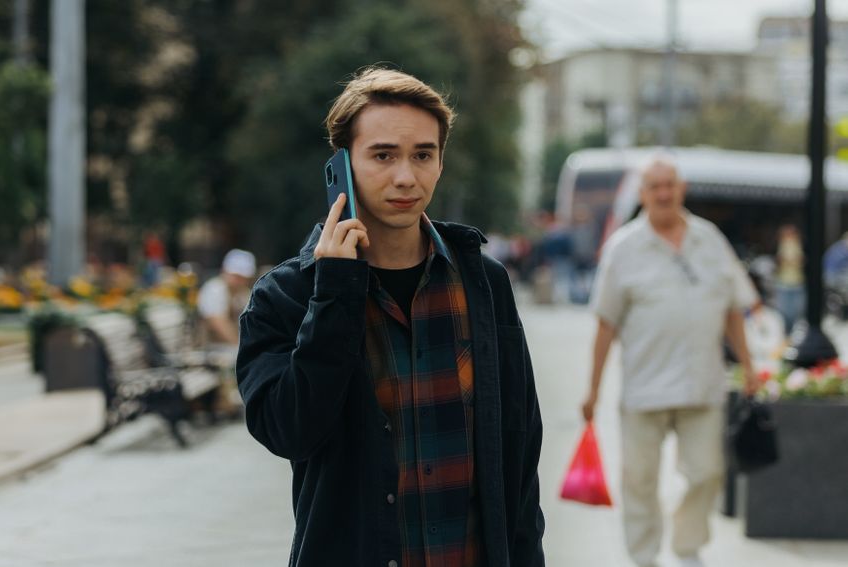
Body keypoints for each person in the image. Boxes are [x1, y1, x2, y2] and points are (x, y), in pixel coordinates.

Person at [236, 67, 545, 567]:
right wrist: (334, 293)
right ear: (342, 165)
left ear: (441, 163)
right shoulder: (288, 294)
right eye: (383, 155)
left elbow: (519, 444)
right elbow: (286, 431)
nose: (406, 176)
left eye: (423, 155)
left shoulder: (483, 282)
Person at [581, 156, 756, 567]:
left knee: (706, 473)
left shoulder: (709, 239)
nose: (663, 193)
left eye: (669, 185)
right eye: (654, 186)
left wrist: (749, 366)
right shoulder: (623, 247)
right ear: (642, 195)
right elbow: (605, 324)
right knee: (639, 479)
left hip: (703, 383)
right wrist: (592, 390)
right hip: (645, 388)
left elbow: (734, 308)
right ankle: (644, 556)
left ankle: (687, 547)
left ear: (682, 188)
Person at [197, 248, 256, 346]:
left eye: (242, 277)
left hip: (230, 350)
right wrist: (241, 347)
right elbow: (218, 322)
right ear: (224, 271)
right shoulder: (214, 288)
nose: (238, 280)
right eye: (236, 275)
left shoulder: (244, 293)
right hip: (210, 350)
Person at [773, 224, 805, 333]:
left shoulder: (797, 245)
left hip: (796, 282)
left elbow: (799, 261)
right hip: (784, 283)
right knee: (784, 313)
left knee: (796, 312)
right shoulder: (782, 245)